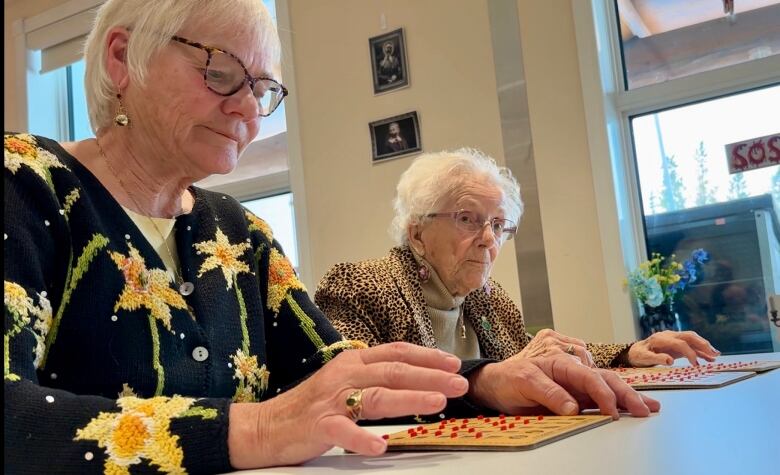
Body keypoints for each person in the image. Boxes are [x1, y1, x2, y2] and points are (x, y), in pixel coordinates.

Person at [4, 2, 477, 472]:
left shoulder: (242, 233)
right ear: (123, 58)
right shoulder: (24, 182)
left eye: (263, 88)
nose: (250, 108)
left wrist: (484, 382)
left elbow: (334, 379)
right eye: (221, 71)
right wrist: (257, 429)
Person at [315, 148, 720, 413]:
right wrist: (486, 381)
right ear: (417, 233)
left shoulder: (487, 299)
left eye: (497, 224)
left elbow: (530, 357)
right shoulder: (361, 285)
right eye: (468, 219)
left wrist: (630, 351)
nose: (489, 239)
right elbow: (344, 394)